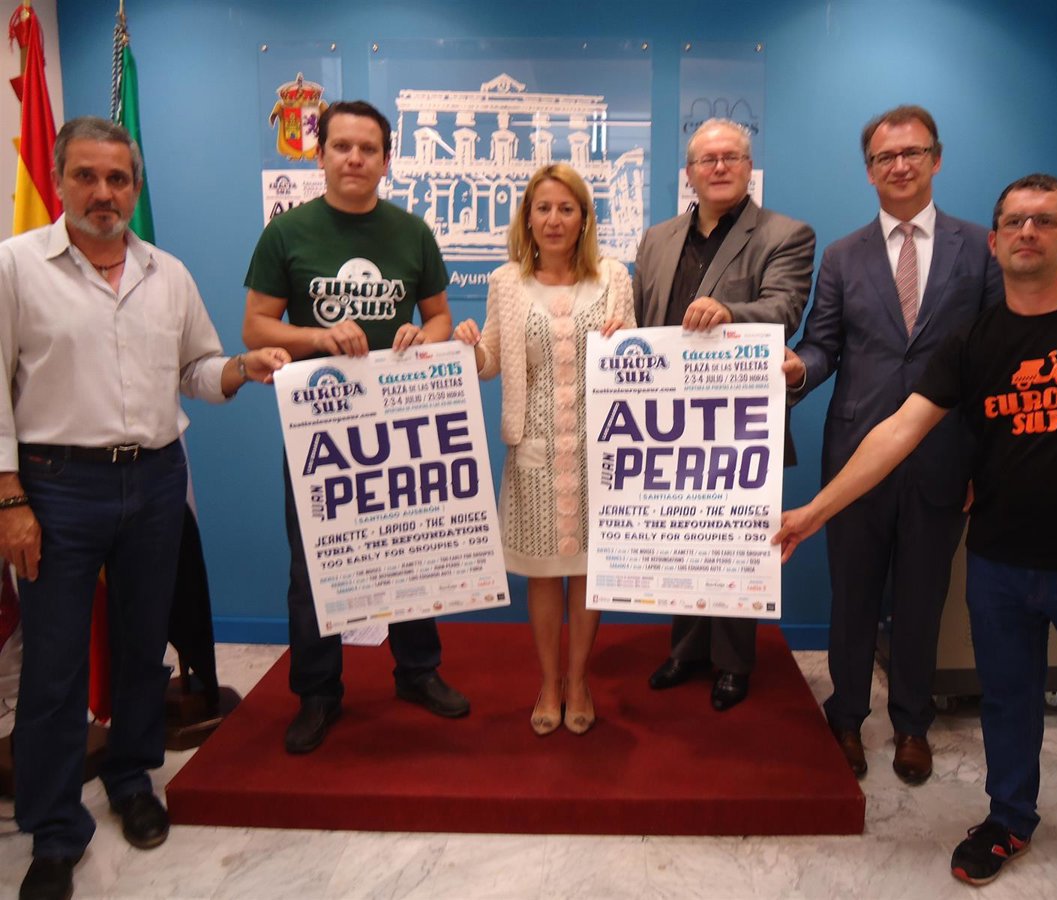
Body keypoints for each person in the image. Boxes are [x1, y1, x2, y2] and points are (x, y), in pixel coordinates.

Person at [774, 174, 1057, 897]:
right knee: (1007, 708)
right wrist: (815, 512)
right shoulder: (973, 341)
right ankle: (1009, 820)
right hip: (1001, 566)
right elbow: (899, 432)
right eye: (1015, 222)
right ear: (994, 242)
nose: (1028, 232)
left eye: (1045, 220)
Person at [0, 116, 289, 900]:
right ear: (59, 180)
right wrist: (9, 496)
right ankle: (54, 831)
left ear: (135, 187)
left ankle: (132, 780)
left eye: (118, 179)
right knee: (55, 666)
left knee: (140, 648)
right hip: (57, 485)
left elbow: (195, 368)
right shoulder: (15, 267)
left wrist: (241, 369)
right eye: (87, 176)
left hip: (155, 479)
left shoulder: (168, 274)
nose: (104, 192)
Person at [784, 105, 1004, 783]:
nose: (900, 166)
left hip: (945, 453)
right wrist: (795, 371)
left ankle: (912, 723)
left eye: (912, 153)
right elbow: (823, 346)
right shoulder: (843, 256)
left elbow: (997, 359)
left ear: (936, 158)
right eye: (885, 157)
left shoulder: (980, 248)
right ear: (869, 171)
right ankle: (847, 716)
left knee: (921, 598)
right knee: (852, 596)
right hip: (856, 454)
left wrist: (986, 462)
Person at [242, 100, 469, 755]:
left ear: (386, 161)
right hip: (320, 426)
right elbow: (255, 327)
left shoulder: (411, 232)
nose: (354, 158)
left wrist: (421, 335)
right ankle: (318, 691)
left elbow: (438, 317)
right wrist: (318, 337)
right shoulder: (287, 233)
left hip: (399, 421)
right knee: (314, 562)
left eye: (368, 149)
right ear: (320, 156)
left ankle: (418, 671)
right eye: (341, 146)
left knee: (408, 547)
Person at [633, 117, 814, 711]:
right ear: (689, 173)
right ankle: (686, 650)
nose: (718, 167)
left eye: (731, 157)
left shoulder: (786, 234)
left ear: (748, 167)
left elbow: (785, 307)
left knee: (735, 544)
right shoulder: (656, 239)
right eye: (706, 159)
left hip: (740, 424)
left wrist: (731, 312)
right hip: (666, 423)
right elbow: (640, 317)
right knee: (682, 539)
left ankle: (733, 664)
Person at [455, 163, 634, 736]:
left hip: (598, 450)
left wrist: (626, 344)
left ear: (584, 218)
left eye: (566, 208)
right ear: (527, 219)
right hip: (534, 447)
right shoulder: (506, 282)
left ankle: (578, 681)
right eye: (543, 209)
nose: (554, 219)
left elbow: (637, 361)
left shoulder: (614, 277)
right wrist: (469, 347)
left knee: (587, 571)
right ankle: (549, 682)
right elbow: (491, 362)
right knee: (542, 574)